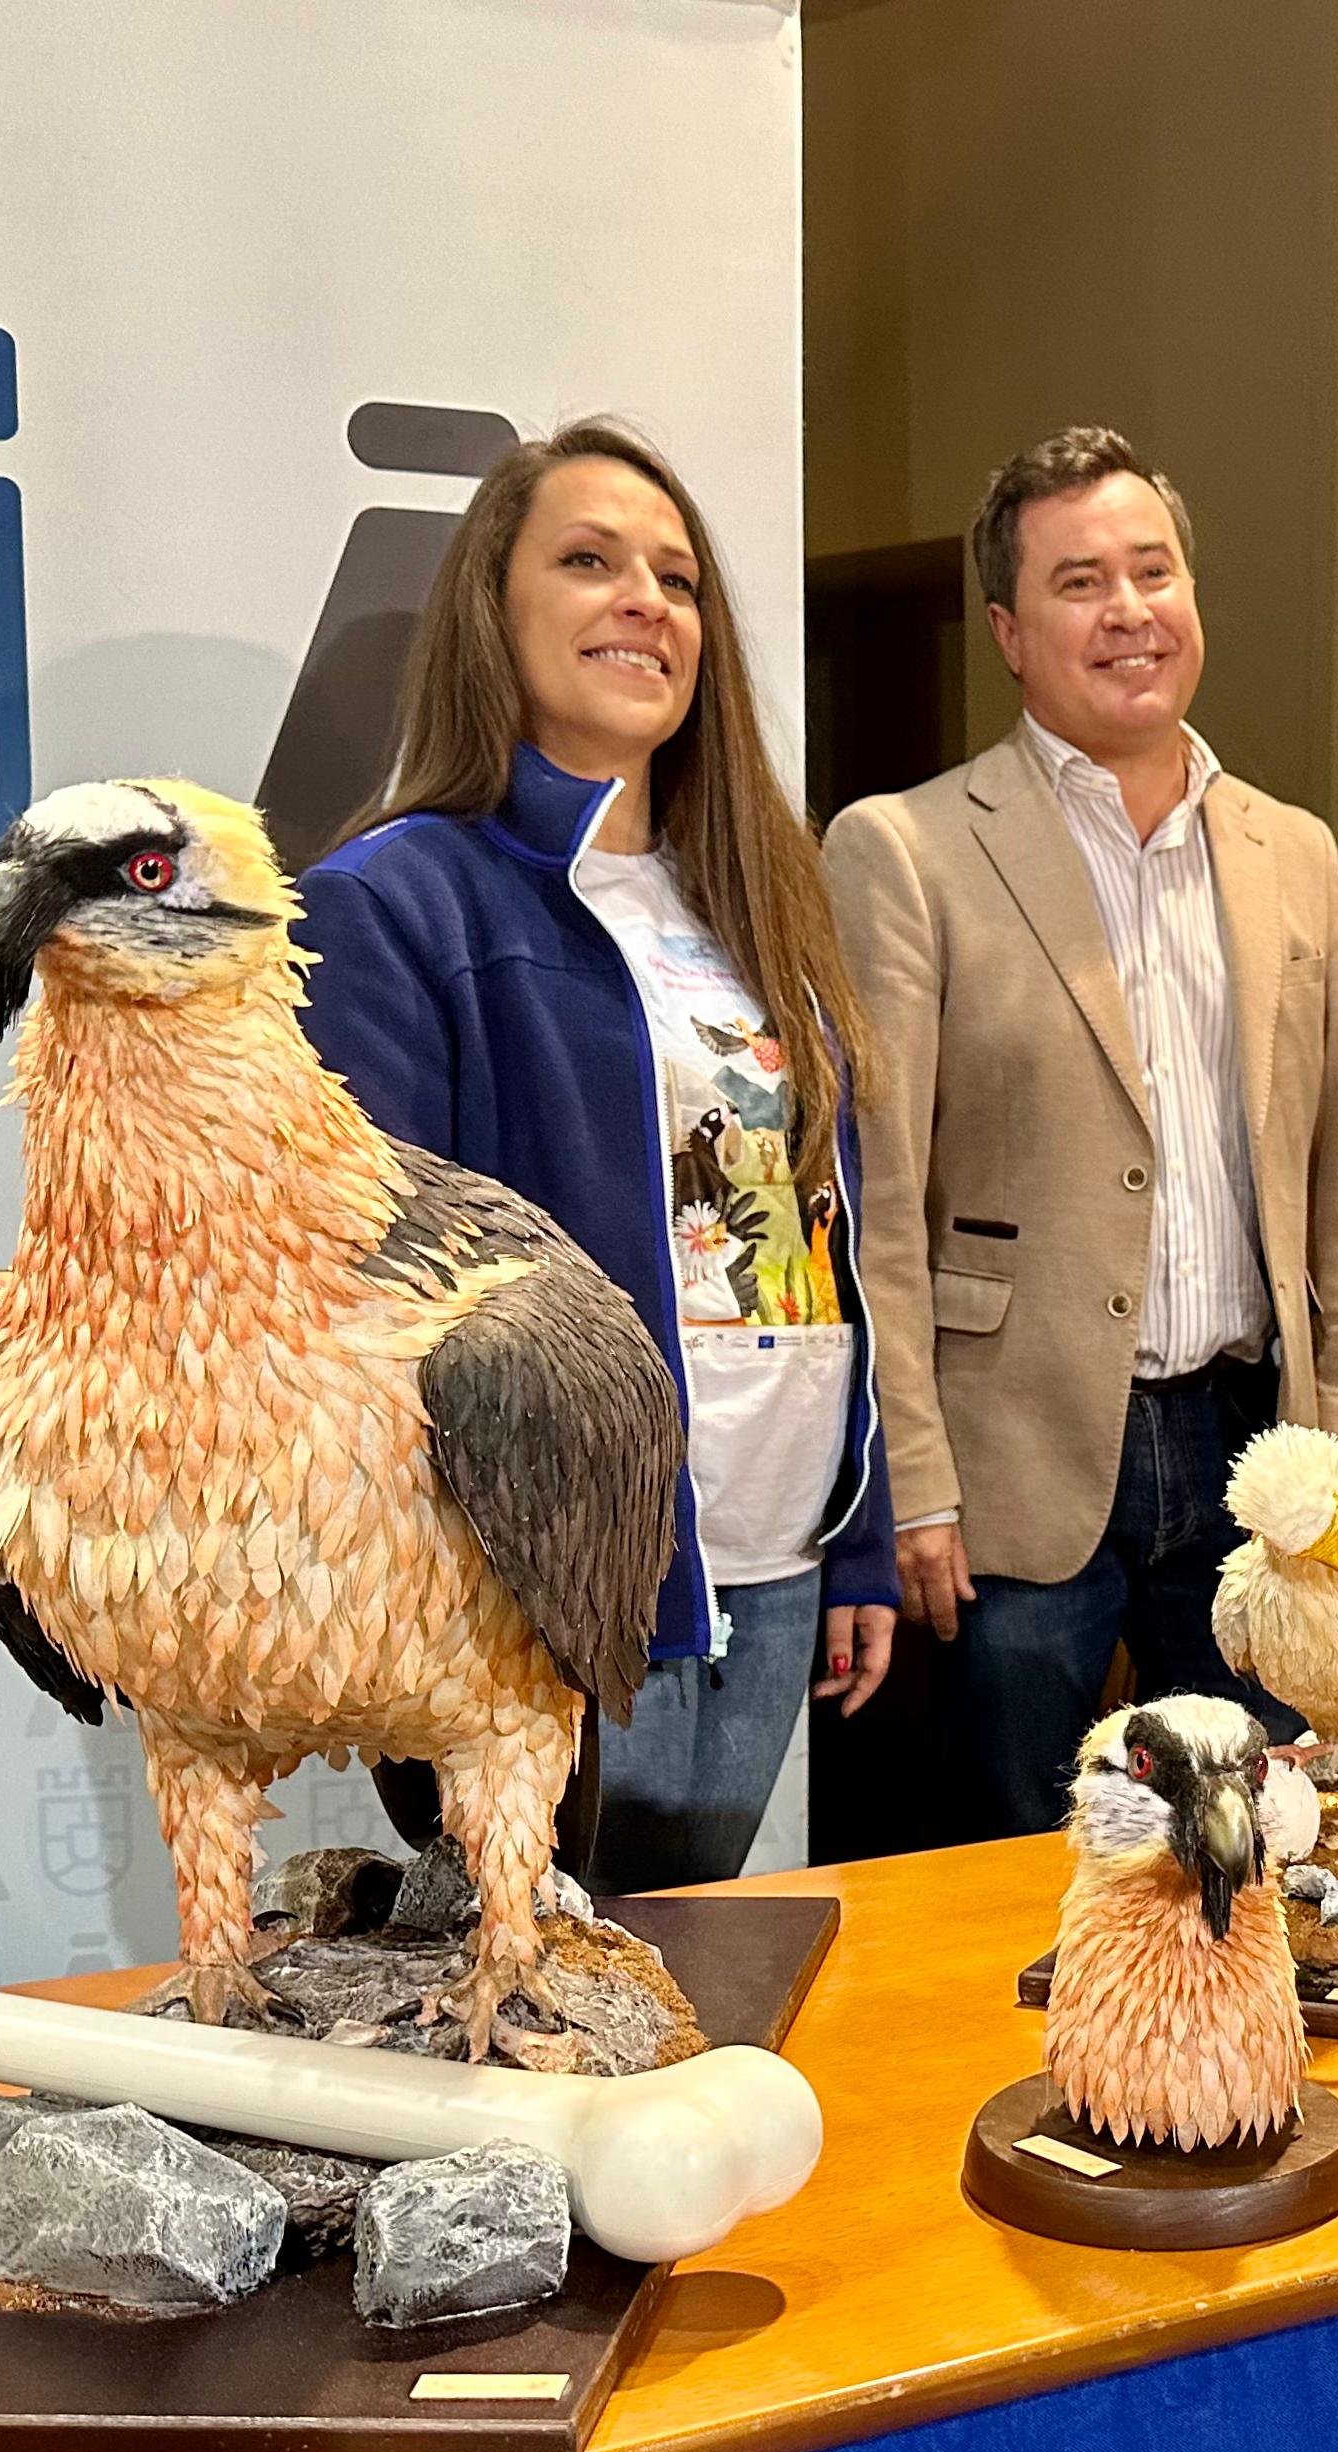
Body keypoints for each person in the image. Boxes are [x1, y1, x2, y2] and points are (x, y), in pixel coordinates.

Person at [299, 418, 899, 1894]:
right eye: (587, 562)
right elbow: (370, 1300)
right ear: (490, 618)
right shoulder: (394, 897)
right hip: (554, 1581)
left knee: (686, 1971)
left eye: (677, 577)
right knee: (537, 2004)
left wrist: (861, 1530)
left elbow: (820, 1225)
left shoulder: (760, 897)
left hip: (769, 1549)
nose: (645, 599)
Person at [825, 426, 1338, 1837]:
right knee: (1015, 1866)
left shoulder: (1293, 849)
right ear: (1010, 632)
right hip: (1013, 1456)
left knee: (1258, 1849)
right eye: (1079, 580)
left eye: (1153, 571)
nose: (1127, 609)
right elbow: (879, 1201)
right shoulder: (905, 848)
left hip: (1250, 1449)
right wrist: (911, 1479)